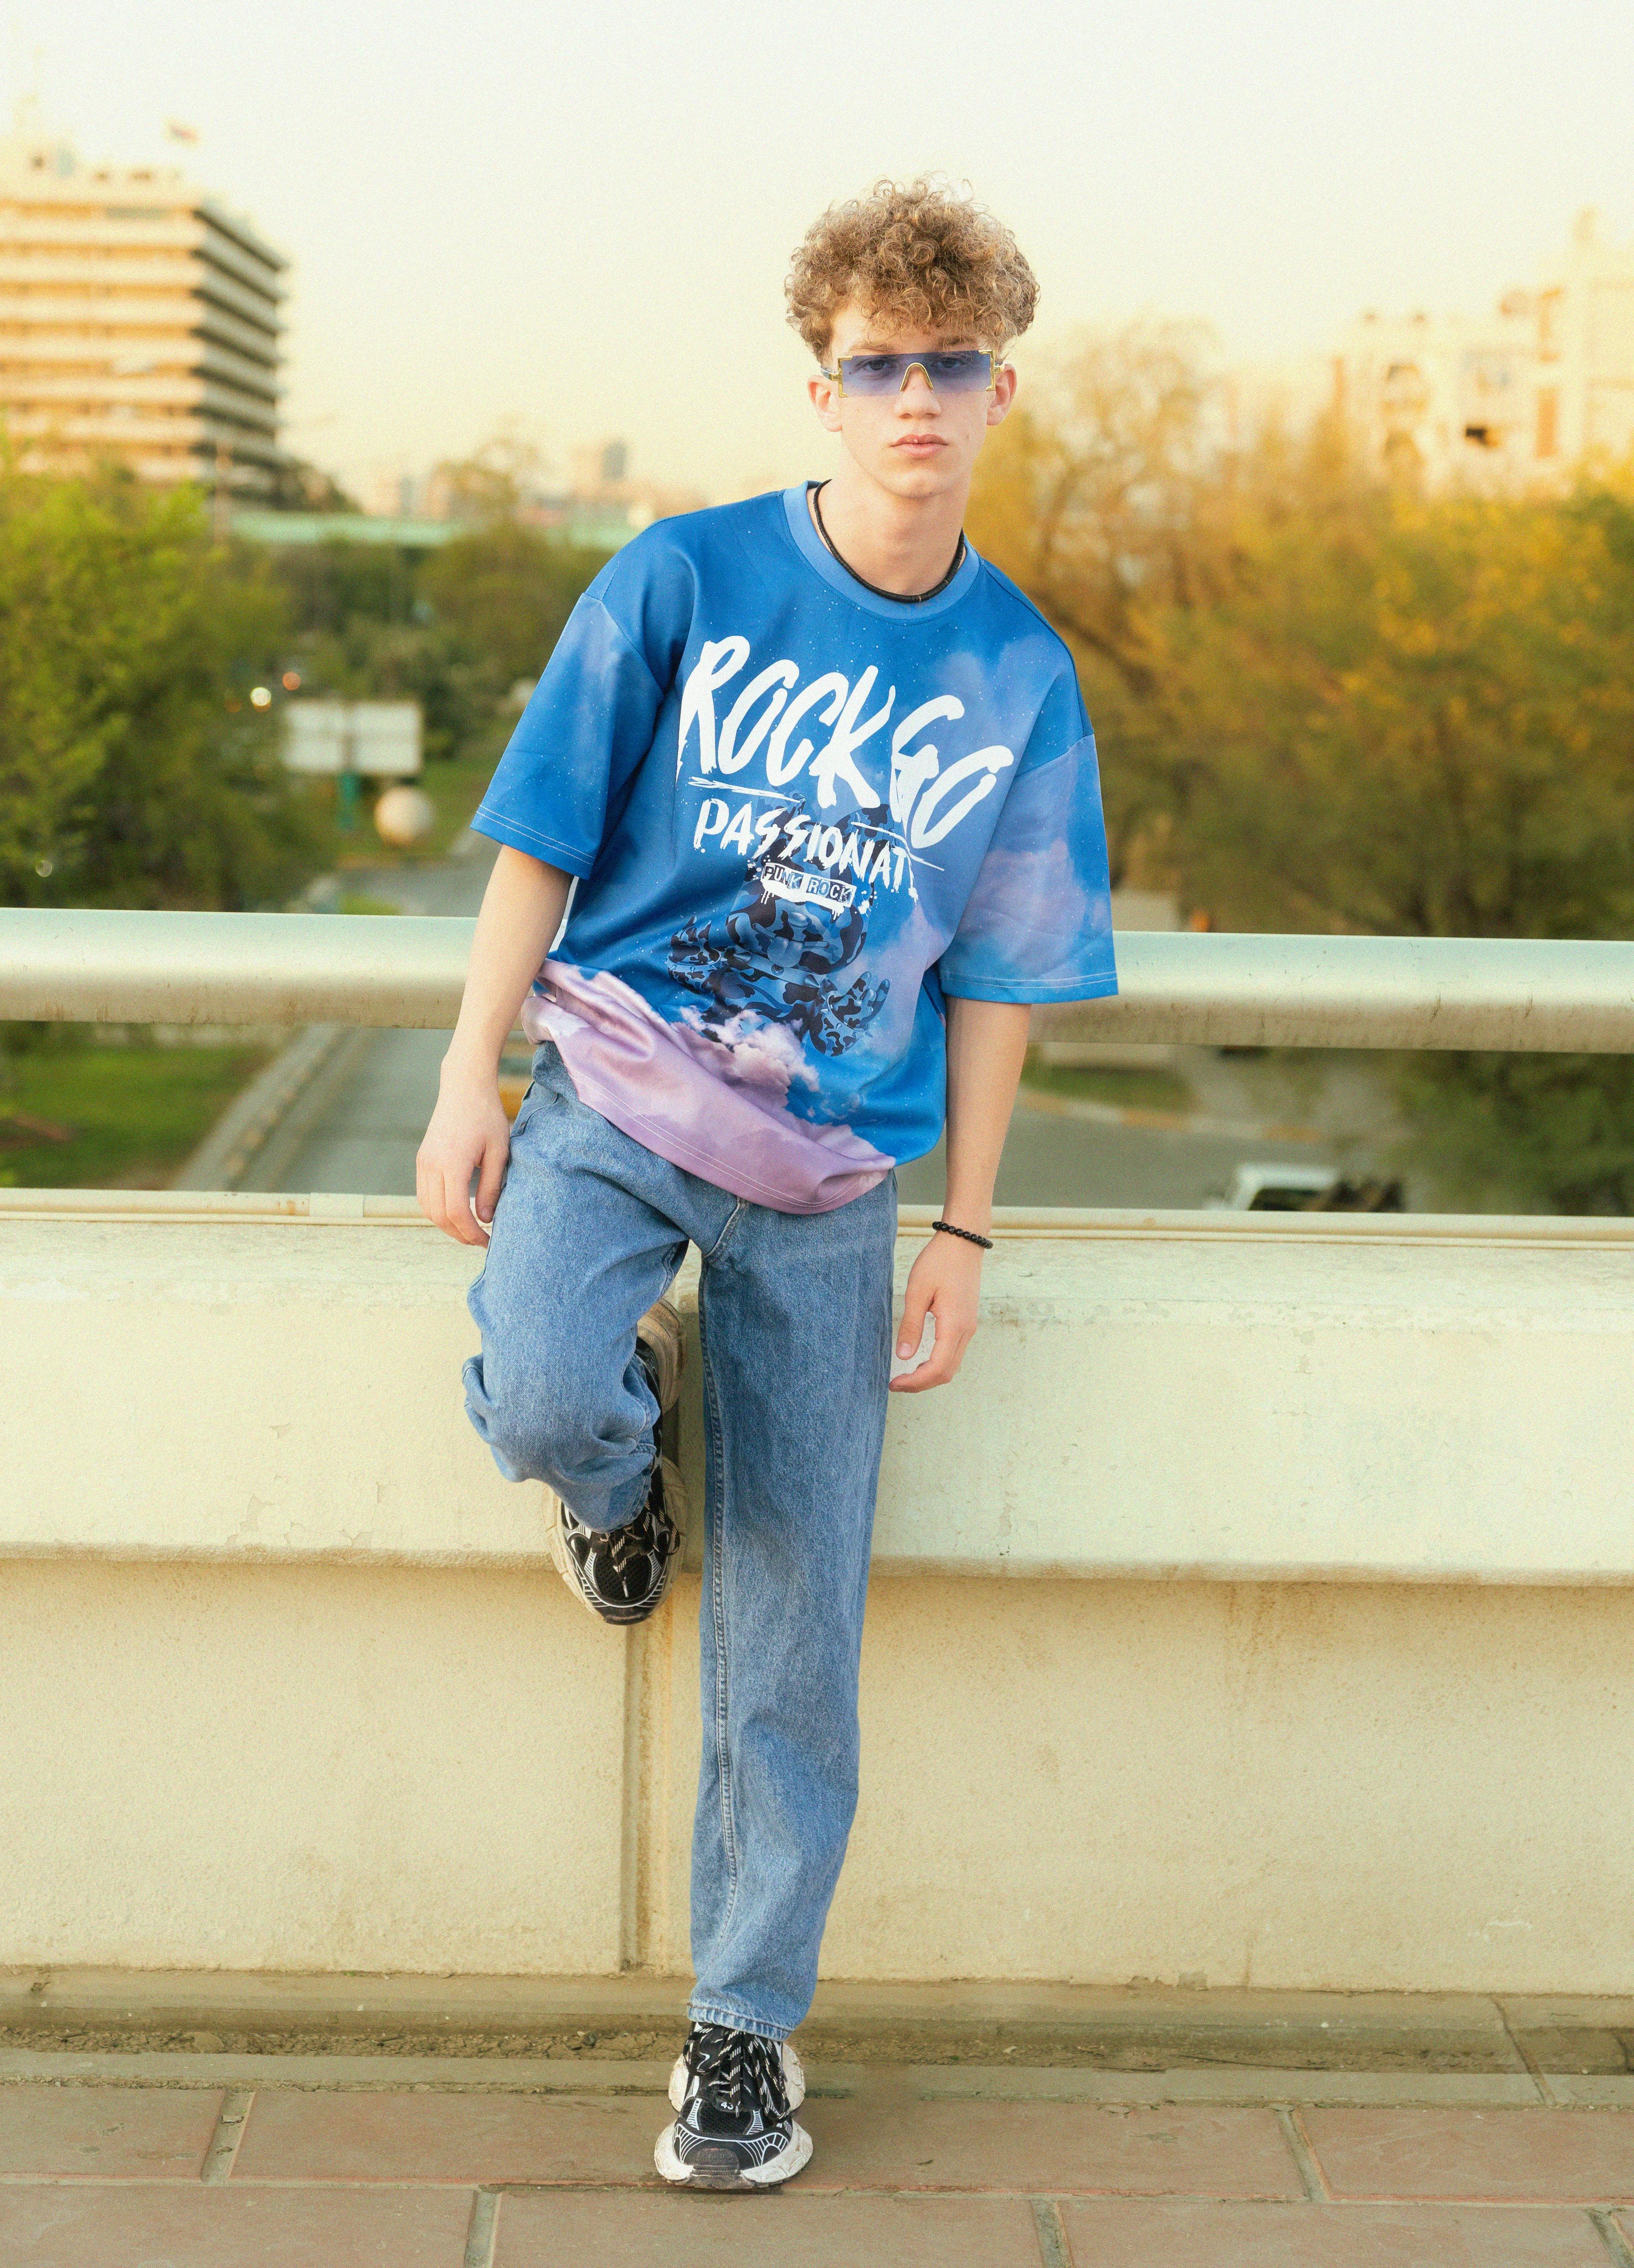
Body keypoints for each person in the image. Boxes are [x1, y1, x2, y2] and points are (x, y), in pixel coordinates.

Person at [415, 177, 1117, 2190]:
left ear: (1000, 385)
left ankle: (742, 2029)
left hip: (831, 1179)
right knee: (548, 1382)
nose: (917, 398)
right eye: (879, 366)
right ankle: (620, 1481)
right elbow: (541, 835)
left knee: (798, 1623)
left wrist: (967, 1227)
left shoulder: (1020, 678)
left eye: (951, 364)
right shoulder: (677, 580)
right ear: (821, 387)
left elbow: (998, 978)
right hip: (618, 1094)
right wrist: (470, 1074)